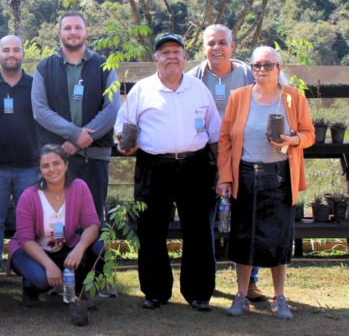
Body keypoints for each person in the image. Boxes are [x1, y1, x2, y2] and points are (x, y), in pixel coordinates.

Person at [114, 34, 221, 311]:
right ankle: (155, 292)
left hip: (195, 165)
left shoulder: (199, 89)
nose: (171, 56)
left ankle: (198, 294)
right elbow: (123, 127)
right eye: (165, 52)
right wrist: (123, 143)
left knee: (198, 231)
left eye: (176, 51)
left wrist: (223, 171)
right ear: (155, 58)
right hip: (153, 167)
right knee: (151, 232)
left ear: (185, 57)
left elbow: (215, 135)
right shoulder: (142, 89)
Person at [218, 46, 314, 320]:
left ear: (279, 68)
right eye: (257, 65)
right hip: (245, 174)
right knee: (243, 237)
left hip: (281, 175)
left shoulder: (293, 97)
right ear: (251, 68)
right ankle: (241, 295)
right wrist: (225, 177)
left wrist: (292, 140)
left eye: (268, 65)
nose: (262, 70)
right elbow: (225, 140)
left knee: (278, 238)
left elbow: (309, 134)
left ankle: (279, 297)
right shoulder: (239, 96)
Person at [186, 24, 266, 302]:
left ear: (232, 46)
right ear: (203, 48)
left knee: (247, 220)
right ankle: (207, 280)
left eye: (222, 43)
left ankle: (250, 282)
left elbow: (277, 98)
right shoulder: (192, 78)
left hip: (245, 157)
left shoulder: (249, 74)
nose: (216, 48)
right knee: (202, 222)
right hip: (203, 161)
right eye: (211, 43)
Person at [31, 10, 121, 223]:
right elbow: (40, 110)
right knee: (56, 219)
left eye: (78, 28)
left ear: (86, 32)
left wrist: (79, 141)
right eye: (68, 28)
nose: (73, 32)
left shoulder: (105, 66)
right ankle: (60, 258)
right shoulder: (44, 67)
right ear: (59, 33)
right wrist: (74, 134)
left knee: (92, 218)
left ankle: (91, 257)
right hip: (57, 156)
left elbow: (112, 109)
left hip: (95, 156)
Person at [8, 144, 108, 307]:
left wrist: (79, 248)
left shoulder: (79, 187)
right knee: (42, 282)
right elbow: (25, 239)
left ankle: (78, 293)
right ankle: (30, 287)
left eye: (56, 163)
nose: (52, 169)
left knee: (97, 249)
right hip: (30, 250)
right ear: (40, 170)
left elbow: (92, 225)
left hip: (64, 247)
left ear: (66, 165)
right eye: (45, 166)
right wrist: (49, 266)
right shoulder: (29, 195)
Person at [0, 35, 40, 283]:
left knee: (27, 223)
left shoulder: (36, 85)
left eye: (16, 50)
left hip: (30, 165)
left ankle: (27, 269)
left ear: (23, 54)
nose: (11, 54)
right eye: (6, 50)